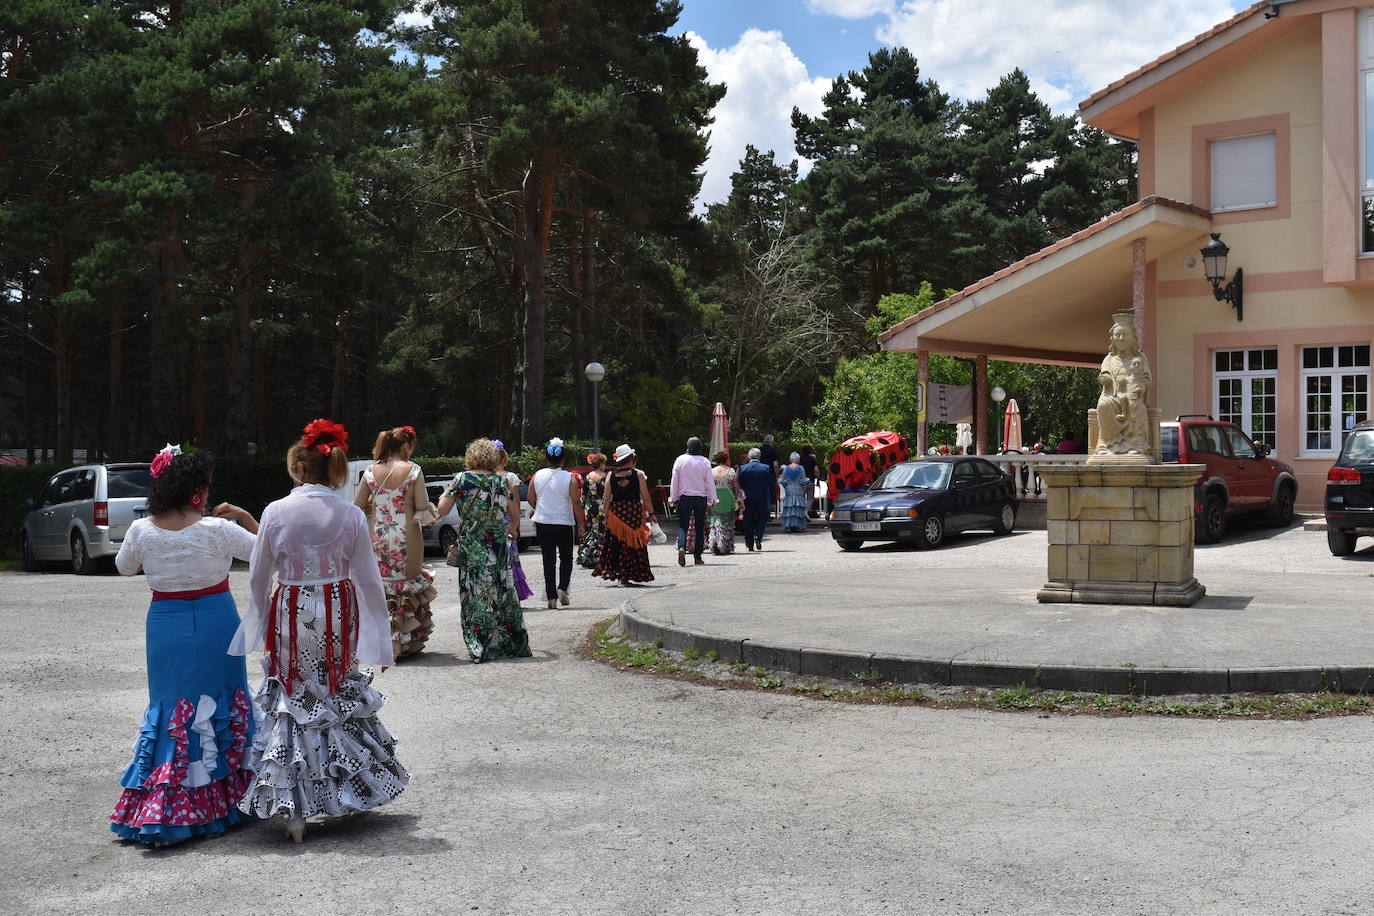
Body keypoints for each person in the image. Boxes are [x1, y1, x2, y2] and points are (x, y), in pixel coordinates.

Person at [233, 419, 408, 843]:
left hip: (291, 608)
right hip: (335, 609)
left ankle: (293, 808)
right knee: (333, 694)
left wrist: (258, 621)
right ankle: (343, 789)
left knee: (293, 698)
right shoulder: (350, 514)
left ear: (297, 469)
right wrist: (381, 642)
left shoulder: (275, 512)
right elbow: (368, 579)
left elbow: (258, 576)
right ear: (335, 471)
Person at [109, 446, 259, 847]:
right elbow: (266, 554)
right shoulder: (218, 529)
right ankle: (229, 799)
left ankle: (169, 808)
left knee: (172, 709)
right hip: (216, 621)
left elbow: (124, 567)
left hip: (166, 624)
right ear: (196, 489)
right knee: (223, 703)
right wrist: (245, 517)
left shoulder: (142, 530)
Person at [436, 438, 532, 660]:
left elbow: (442, 508)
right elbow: (514, 511)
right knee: (502, 593)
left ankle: (481, 646)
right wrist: (513, 529)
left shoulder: (462, 479)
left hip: (472, 547)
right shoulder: (502, 482)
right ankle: (511, 644)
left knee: (476, 594)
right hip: (497, 546)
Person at [355, 425, 438, 658]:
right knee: (406, 585)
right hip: (407, 537)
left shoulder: (370, 471)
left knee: (382, 585)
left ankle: (382, 643)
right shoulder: (413, 470)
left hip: (378, 537)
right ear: (405, 446)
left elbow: (356, 506)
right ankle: (403, 642)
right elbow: (422, 506)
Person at [527, 437, 586, 609]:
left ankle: (551, 597)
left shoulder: (537, 475)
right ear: (563, 459)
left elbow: (531, 498)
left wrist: (541, 507)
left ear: (547, 458)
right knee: (566, 557)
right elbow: (576, 502)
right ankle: (562, 588)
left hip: (543, 522)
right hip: (564, 523)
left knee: (548, 560)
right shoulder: (569, 478)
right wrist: (581, 524)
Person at [593, 444, 655, 586]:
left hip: (616, 515)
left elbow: (607, 498)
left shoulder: (610, 475)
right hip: (633, 512)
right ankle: (631, 573)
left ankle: (621, 574)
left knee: (617, 544)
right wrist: (651, 514)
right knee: (633, 544)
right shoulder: (638, 475)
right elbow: (646, 496)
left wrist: (605, 515)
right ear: (631, 458)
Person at [669, 436, 717, 566]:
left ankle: (682, 547)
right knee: (700, 527)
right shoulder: (705, 461)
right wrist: (713, 499)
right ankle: (697, 556)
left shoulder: (680, 460)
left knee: (683, 525)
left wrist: (673, 498)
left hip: (685, 497)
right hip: (701, 498)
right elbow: (710, 482)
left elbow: (675, 480)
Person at [495, 441, 534, 602]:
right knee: (509, 559)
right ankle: (512, 595)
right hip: (506, 523)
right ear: (504, 459)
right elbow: (515, 505)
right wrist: (515, 527)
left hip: (493, 523)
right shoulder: (510, 477)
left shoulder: (483, 477)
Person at [737, 447, 775, 552]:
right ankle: (758, 535)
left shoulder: (743, 468)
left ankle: (749, 544)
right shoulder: (766, 468)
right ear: (760, 457)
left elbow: (739, 485)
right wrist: (772, 500)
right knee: (763, 517)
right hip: (762, 498)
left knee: (748, 520)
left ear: (749, 457)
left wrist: (739, 499)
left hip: (747, 498)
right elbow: (771, 485)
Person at [707, 450, 742, 556]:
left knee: (715, 521)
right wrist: (739, 500)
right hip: (727, 497)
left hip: (715, 497)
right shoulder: (731, 471)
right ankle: (726, 544)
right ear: (726, 460)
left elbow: (708, 486)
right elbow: (736, 487)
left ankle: (714, 543)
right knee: (727, 522)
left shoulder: (711, 471)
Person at [578, 453, 608, 569]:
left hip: (591, 509)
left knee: (592, 531)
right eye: (604, 463)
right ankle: (601, 557)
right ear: (601, 464)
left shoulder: (587, 477)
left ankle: (587, 556)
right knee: (602, 532)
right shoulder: (605, 477)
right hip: (602, 509)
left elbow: (584, 496)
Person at [779, 452, 810, 533]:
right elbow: (803, 480)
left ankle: (789, 525)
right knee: (797, 506)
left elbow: (782, 480)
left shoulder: (786, 468)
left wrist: (786, 486)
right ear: (798, 459)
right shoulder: (801, 468)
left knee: (790, 506)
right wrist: (804, 489)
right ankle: (798, 525)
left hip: (789, 489)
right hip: (798, 489)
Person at [798, 445, 821, 517]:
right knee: (810, 498)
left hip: (801, 481)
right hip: (810, 480)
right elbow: (816, 471)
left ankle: (802, 511)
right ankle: (806, 510)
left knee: (801, 497)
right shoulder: (812, 459)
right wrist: (818, 479)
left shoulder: (800, 459)